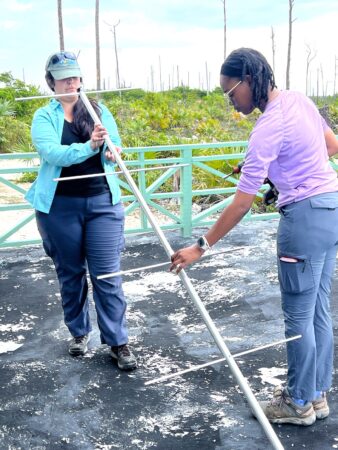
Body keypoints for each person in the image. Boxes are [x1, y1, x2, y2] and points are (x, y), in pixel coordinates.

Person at [170, 48, 338, 425]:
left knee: (297, 316)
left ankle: (297, 404)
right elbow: (330, 146)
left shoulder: (265, 128)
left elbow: (241, 204)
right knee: (318, 310)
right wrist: (275, 170)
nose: (232, 103)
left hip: (304, 221)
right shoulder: (299, 100)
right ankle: (316, 395)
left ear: (248, 80)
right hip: (331, 207)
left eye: (231, 94)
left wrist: (201, 247)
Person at [25, 51, 137, 371]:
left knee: (107, 275)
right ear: (51, 82)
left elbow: (114, 144)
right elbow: (52, 153)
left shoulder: (98, 110)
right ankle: (78, 332)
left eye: (74, 76)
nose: (71, 82)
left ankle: (118, 342)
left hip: (102, 202)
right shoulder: (43, 117)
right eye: (63, 78)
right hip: (59, 207)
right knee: (71, 274)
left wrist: (112, 151)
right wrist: (88, 146)